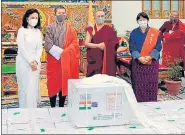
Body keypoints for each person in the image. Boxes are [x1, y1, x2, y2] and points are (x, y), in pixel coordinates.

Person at [44, 6, 80, 107]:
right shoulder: (50, 28)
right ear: (55, 14)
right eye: (59, 13)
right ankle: (52, 107)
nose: (61, 15)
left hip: (65, 61)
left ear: (66, 14)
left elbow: (75, 43)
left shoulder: (70, 28)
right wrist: (61, 53)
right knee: (52, 84)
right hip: (54, 61)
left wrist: (66, 52)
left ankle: (61, 106)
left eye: (63, 13)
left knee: (63, 83)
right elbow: (48, 44)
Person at [129, 12, 162, 102]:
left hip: (152, 63)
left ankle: (151, 103)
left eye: (144, 19)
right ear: (137, 21)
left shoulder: (155, 32)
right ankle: (138, 103)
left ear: (147, 20)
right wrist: (139, 57)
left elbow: (158, 46)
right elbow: (132, 47)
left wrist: (150, 57)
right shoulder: (133, 33)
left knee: (151, 85)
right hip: (138, 63)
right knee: (138, 84)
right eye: (140, 20)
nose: (142, 21)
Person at [16, 9, 43, 108]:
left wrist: (35, 60)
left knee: (33, 86)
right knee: (25, 87)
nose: (34, 19)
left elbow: (40, 47)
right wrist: (30, 61)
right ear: (27, 18)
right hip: (24, 62)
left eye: (36, 18)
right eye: (32, 17)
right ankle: (24, 109)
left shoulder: (37, 31)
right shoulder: (22, 31)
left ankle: (33, 109)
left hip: (35, 62)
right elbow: (22, 49)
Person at [85, 10, 118, 77]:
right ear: (95, 17)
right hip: (94, 60)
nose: (100, 17)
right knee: (93, 81)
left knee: (106, 82)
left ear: (105, 17)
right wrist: (99, 46)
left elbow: (115, 43)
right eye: (98, 16)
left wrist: (106, 45)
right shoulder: (91, 29)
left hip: (106, 60)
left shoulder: (109, 29)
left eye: (102, 16)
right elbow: (86, 43)